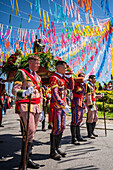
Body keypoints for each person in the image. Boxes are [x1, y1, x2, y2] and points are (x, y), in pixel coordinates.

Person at [12, 55, 43, 169]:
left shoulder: (38, 77)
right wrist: (24, 92)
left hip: (36, 107)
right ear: (30, 63)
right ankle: (23, 163)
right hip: (26, 106)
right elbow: (14, 89)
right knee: (28, 131)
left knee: (32, 133)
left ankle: (28, 159)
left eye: (39, 63)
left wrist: (42, 110)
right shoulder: (22, 73)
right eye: (36, 63)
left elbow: (40, 94)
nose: (38, 65)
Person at [49, 60, 73, 160]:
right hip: (57, 106)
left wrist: (70, 77)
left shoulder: (62, 78)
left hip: (63, 107)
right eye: (64, 67)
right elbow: (55, 93)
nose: (66, 69)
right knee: (56, 127)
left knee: (62, 127)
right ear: (59, 68)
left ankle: (58, 147)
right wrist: (63, 104)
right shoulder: (54, 78)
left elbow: (71, 87)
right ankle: (52, 151)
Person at [70, 72, 87, 145]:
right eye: (81, 77)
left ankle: (78, 136)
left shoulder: (83, 85)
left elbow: (83, 94)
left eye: (84, 77)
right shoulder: (75, 84)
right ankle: (73, 138)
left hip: (80, 102)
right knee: (75, 120)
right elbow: (79, 92)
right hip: (76, 102)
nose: (83, 79)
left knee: (79, 120)